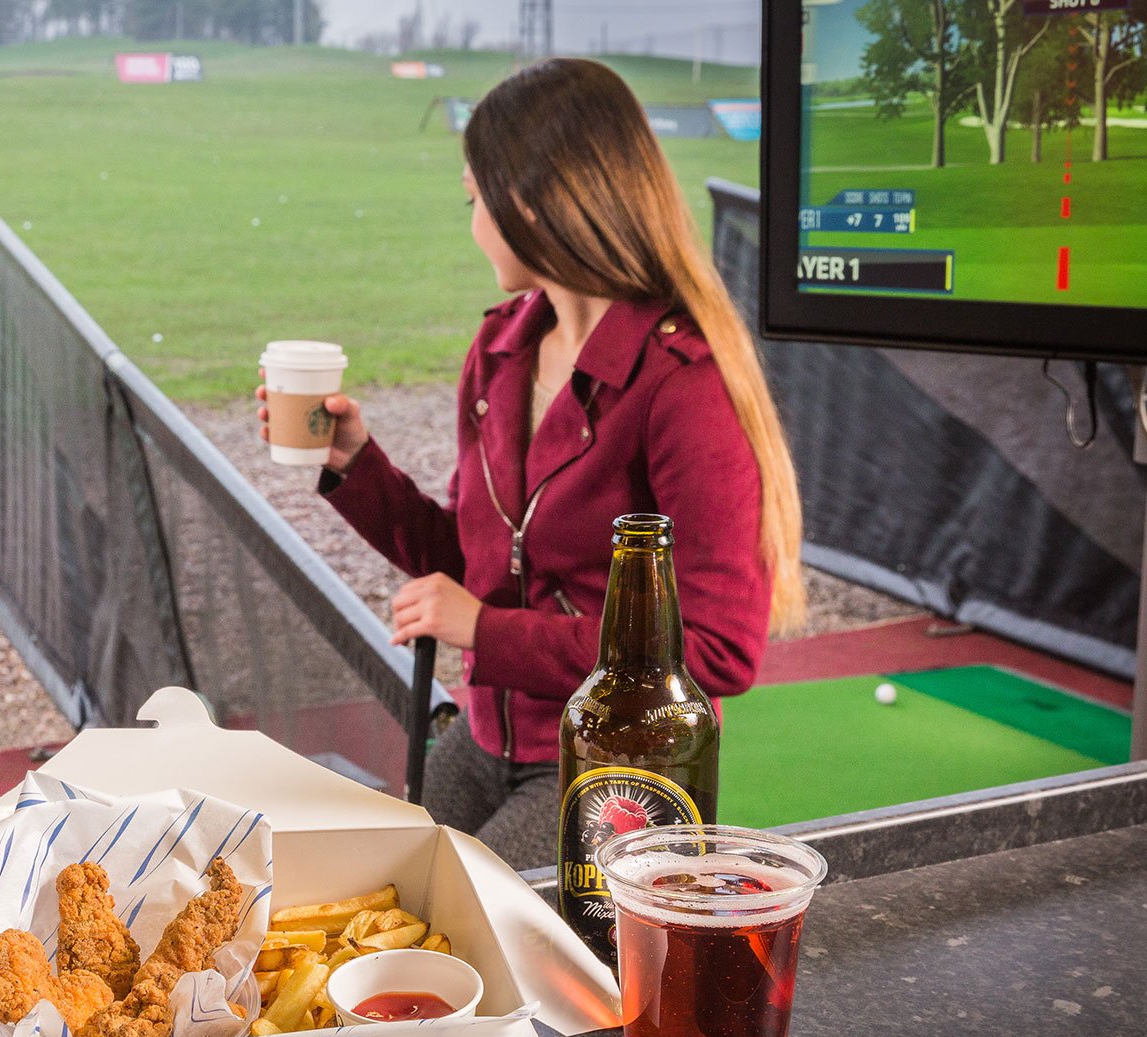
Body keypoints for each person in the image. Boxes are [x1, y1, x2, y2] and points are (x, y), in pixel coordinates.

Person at [256, 58, 804, 871]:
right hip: (487, 739)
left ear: (529, 203)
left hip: (615, 766)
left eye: (475, 201)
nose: (472, 222)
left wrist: (486, 632)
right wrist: (356, 466)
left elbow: (719, 649)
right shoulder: (502, 347)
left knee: (446, 928)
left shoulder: (685, 385)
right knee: (368, 900)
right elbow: (469, 563)